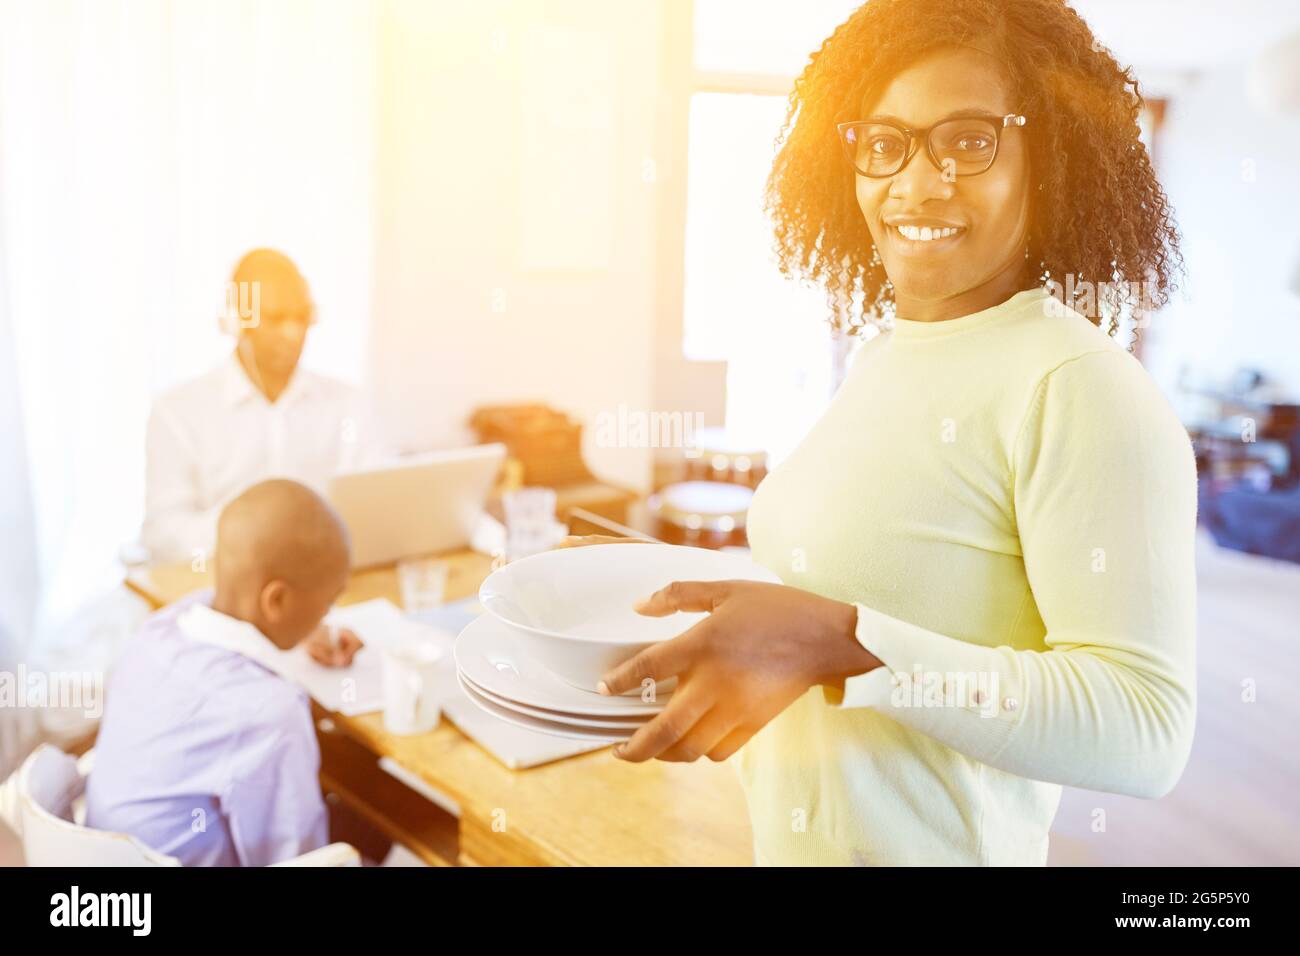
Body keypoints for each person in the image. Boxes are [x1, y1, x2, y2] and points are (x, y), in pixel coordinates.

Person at [583, 0, 1197, 866]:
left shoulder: (1080, 388)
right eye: (883, 144)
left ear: (1050, 158)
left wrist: (839, 642)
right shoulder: (888, 353)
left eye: (969, 140)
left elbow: (1144, 728)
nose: (915, 183)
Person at [86, 480, 361, 866]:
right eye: (329, 602)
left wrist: (302, 631)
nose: (327, 614)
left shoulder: (161, 628)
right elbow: (293, 857)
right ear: (276, 600)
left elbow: (244, 617)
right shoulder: (271, 713)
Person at [141, 248, 369, 564]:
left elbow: (374, 502)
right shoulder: (178, 411)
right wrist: (256, 531)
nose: (293, 333)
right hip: (218, 587)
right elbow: (164, 536)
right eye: (275, 319)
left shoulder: (345, 402)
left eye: (302, 317)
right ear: (236, 322)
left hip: (323, 582)